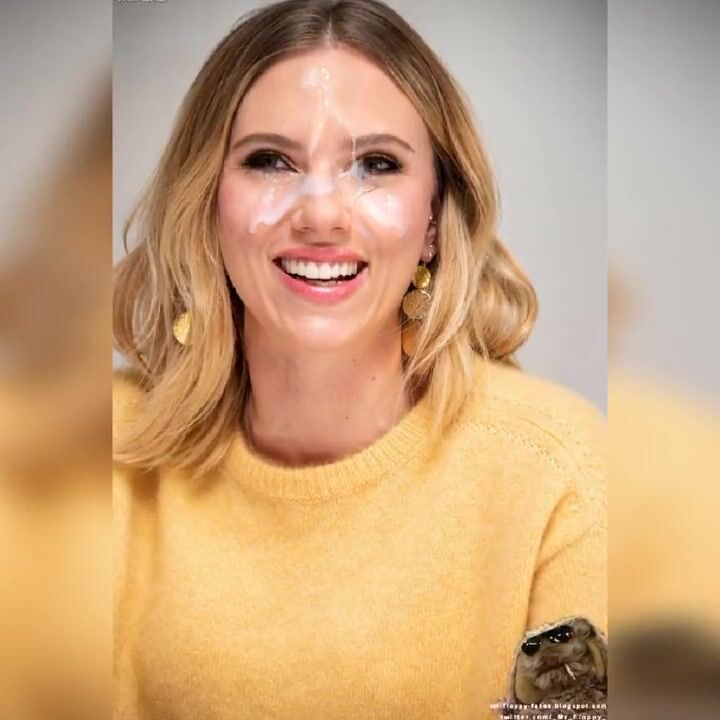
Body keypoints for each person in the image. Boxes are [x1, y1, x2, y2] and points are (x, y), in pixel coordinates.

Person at [113, 1, 606, 718]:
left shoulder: (562, 473)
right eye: (270, 160)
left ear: (434, 219)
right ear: (208, 204)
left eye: (376, 164)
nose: (321, 215)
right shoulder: (91, 450)